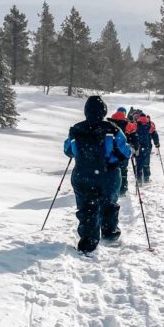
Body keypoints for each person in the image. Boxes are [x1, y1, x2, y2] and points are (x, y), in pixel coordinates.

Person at [64, 95, 132, 253]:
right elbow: (125, 152)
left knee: (87, 207)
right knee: (109, 204)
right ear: (104, 111)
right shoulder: (113, 129)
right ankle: (109, 235)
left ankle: (88, 242)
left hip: (82, 174)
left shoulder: (76, 129)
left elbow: (68, 150)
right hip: (108, 175)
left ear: (86, 111)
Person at [109, 105, 138, 195]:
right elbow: (134, 137)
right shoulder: (128, 125)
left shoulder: (109, 122)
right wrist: (135, 147)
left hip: (110, 151)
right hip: (124, 151)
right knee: (123, 170)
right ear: (124, 114)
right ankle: (122, 189)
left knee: (110, 169)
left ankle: (111, 188)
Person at [135, 113, 160, 183]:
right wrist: (156, 143)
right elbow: (155, 134)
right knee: (146, 163)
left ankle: (139, 180)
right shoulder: (150, 125)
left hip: (138, 147)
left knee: (139, 163)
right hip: (147, 147)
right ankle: (146, 178)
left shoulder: (135, 124)